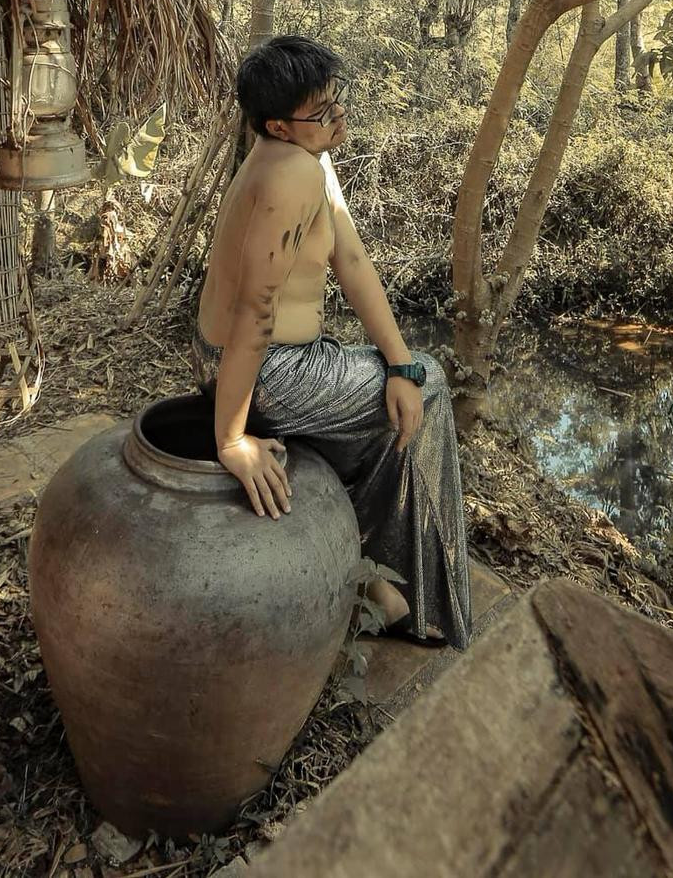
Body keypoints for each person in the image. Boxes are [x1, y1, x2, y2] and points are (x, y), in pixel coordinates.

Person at [192, 35, 472, 650]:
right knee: (435, 387)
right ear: (276, 125)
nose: (337, 118)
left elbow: (351, 259)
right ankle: (415, 605)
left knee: (412, 379)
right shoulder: (291, 171)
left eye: (335, 102)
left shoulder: (304, 157)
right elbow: (255, 312)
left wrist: (400, 364)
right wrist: (231, 438)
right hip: (269, 369)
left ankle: (372, 572)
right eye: (321, 113)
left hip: (275, 359)